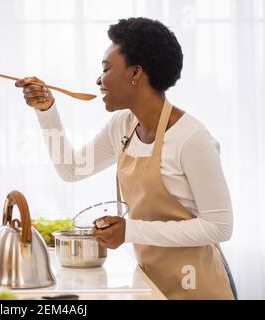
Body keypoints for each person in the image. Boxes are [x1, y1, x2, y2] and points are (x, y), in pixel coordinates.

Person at [15, 17, 237, 300]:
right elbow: (71, 169)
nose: (98, 80)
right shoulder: (123, 125)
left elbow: (220, 227)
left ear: (135, 73)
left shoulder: (192, 138)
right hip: (149, 283)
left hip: (199, 289)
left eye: (106, 69)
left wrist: (131, 230)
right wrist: (46, 111)